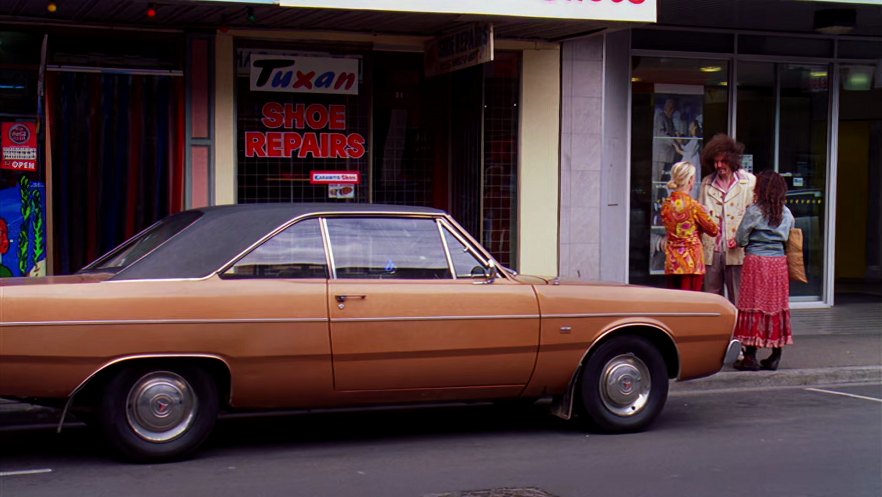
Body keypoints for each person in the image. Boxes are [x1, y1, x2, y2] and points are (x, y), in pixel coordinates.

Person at [732, 171, 794, 371]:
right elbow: (789, 237)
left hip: (756, 262)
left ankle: (750, 356)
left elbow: (741, 238)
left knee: (753, 305)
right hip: (778, 264)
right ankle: (776, 354)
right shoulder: (786, 213)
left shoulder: (754, 211)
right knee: (776, 307)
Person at [698, 134, 756, 305]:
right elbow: (701, 216)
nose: (719, 166)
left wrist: (742, 240)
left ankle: (739, 331)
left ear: (732, 160)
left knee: (738, 297)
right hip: (712, 249)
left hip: (736, 250)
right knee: (710, 298)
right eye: (716, 162)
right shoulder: (707, 182)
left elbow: (754, 216)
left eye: (723, 161)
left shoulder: (749, 182)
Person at [660, 162, 719, 291]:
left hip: (672, 261)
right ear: (690, 180)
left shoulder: (666, 205)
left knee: (674, 303)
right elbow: (714, 230)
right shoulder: (694, 206)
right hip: (692, 262)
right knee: (692, 304)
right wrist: (708, 213)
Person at [652, 98, 679, 182]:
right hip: (661, 156)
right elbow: (661, 133)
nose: (673, 111)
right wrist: (674, 142)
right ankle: (656, 195)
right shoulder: (660, 117)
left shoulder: (669, 119)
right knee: (658, 180)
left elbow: (672, 132)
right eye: (671, 108)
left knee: (667, 181)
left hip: (669, 156)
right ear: (668, 107)